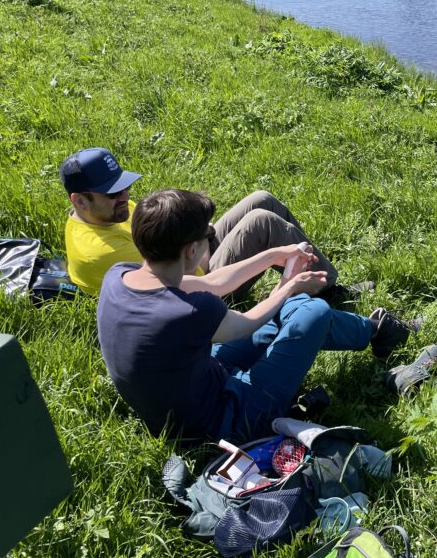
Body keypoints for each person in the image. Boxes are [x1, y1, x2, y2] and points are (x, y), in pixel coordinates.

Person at [96, 189, 414, 443]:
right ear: (191, 250)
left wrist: (275, 255)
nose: (211, 238)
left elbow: (213, 283)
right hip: (225, 423)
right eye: (208, 234)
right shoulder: (188, 311)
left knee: (293, 308)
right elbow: (245, 324)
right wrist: (289, 286)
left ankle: (377, 330)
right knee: (313, 310)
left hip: (196, 385)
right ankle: (379, 331)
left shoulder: (120, 275)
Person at [59, 147, 350, 301]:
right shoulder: (105, 251)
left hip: (187, 256)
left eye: (124, 187)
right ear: (79, 200)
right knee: (263, 223)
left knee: (262, 199)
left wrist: (198, 233)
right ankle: (325, 290)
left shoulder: (105, 214)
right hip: (198, 290)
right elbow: (188, 279)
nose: (125, 197)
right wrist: (200, 235)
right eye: (112, 193)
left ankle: (324, 279)